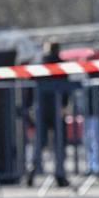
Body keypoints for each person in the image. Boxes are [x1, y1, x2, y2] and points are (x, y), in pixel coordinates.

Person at [25, 39, 70, 187]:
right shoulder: (62, 65)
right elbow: (66, 88)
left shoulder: (38, 65)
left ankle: (31, 171)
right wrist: (64, 106)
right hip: (57, 108)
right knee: (59, 144)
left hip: (41, 107)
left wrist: (28, 106)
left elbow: (29, 88)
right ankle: (60, 174)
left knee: (39, 143)